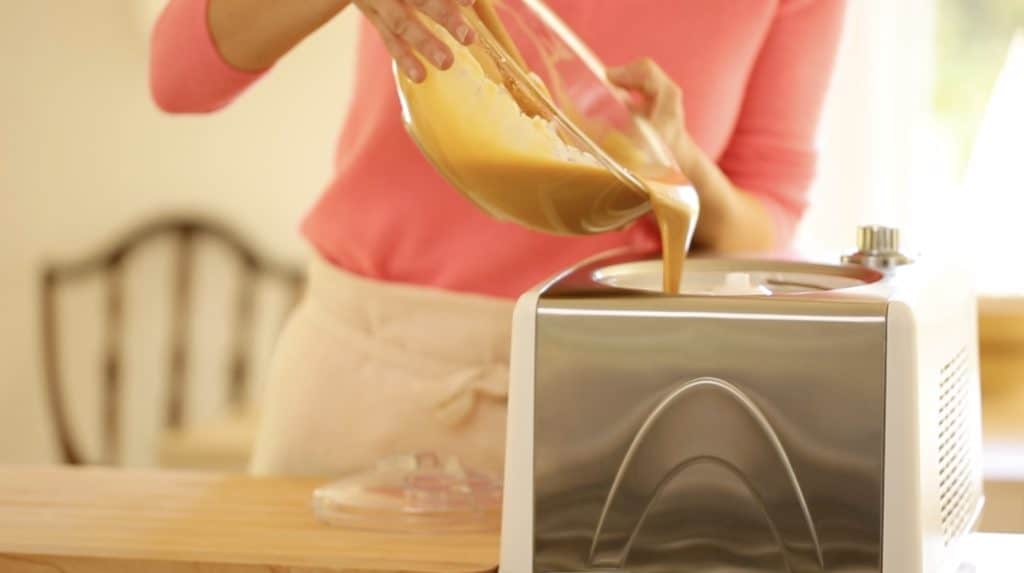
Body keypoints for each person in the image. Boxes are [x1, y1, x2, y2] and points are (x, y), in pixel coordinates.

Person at [150, 0, 847, 477]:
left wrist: (682, 166)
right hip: (365, 385)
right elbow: (179, 73)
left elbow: (772, 213)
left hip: (620, 413)